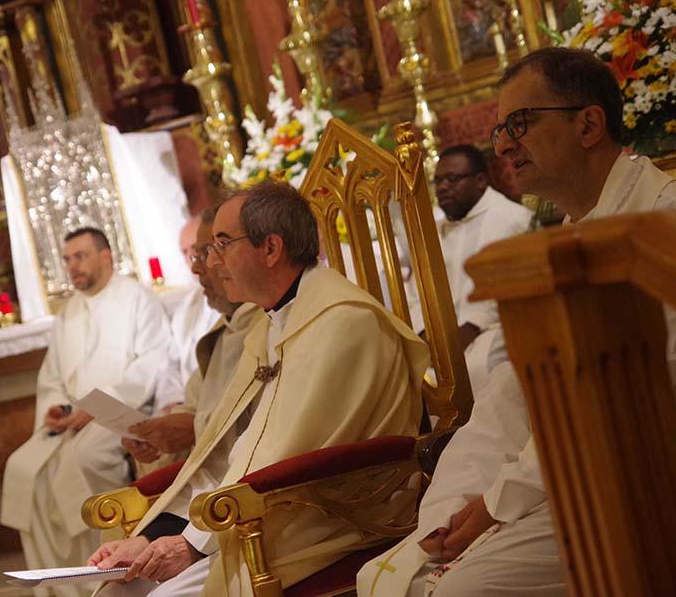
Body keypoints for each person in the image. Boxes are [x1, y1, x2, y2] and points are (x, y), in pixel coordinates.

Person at [359, 46, 676, 597]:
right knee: (393, 577)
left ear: (588, 124)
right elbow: (516, 392)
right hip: (578, 468)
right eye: (500, 130)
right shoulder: (571, 232)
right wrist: (455, 504)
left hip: (674, 474)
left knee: (464, 593)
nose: (505, 143)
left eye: (521, 122)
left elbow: (659, 396)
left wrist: (500, 501)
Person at [90, 180, 428, 596]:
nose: (211, 263)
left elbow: (289, 453)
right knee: (117, 589)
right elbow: (232, 451)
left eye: (222, 244)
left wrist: (191, 545)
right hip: (254, 511)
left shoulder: (342, 324)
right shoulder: (271, 325)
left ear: (270, 249)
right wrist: (152, 535)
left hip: (327, 517)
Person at [0, 227, 171, 597]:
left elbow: (151, 363)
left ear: (106, 256)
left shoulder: (137, 298)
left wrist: (95, 408)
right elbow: (53, 375)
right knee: (22, 468)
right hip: (74, 420)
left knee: (84, 458)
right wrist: (55, 409)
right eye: (67, 259)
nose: (72, 266)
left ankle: (103, 574)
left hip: (121, 412)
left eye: (80, 256)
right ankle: (58, 586)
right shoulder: (68, 313)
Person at [124, 202, 263, 467]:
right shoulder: (222, 326)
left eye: (208, 251)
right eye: (192, 255)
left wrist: (193, 428)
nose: (197, 268)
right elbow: (192, 395)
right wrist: (159, 431)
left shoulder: (271, 321)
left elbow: (270, 419)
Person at [432, 144, 531, 393]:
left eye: (452, 179)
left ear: (480, 180)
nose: (443, 187)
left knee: (478, 369)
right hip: (444, 337)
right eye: (438, 181)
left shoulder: (514, 220)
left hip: (496, 328)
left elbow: (516, 286)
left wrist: (470, 328)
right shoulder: (434, 228)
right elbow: (418, 288)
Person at [153, 218, 221, 415]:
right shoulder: (186, 305)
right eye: (185, 252)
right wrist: (171, 403)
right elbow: (171, 364)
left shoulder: (241, 298)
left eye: (196, 248)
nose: (192, 259)